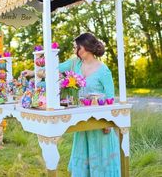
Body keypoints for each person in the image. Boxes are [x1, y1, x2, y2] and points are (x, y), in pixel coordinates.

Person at [23, 33, 121, 176]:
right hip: (81, 119)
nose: (75, 50)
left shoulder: (103, 70)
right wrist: (33, 72)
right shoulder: (74, 63)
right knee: (83, 154)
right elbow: (53, 68)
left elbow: (110, 97)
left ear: (86, 48)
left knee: (100, 157)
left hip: (99, 121)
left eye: (77, 47)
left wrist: (107, 122)